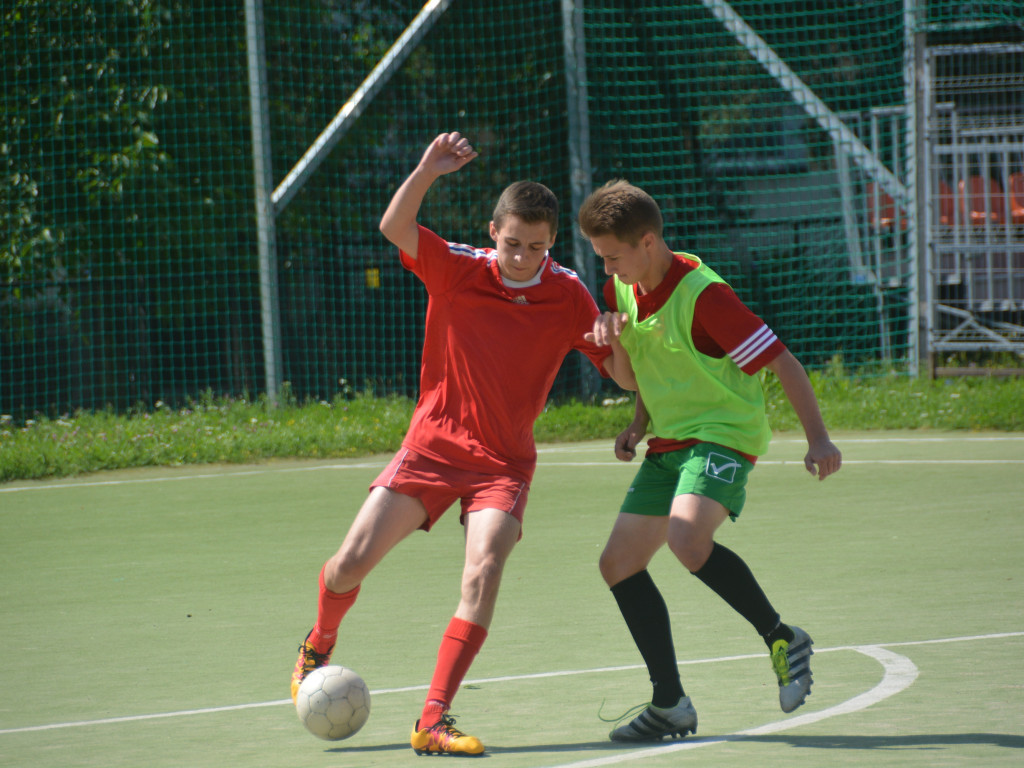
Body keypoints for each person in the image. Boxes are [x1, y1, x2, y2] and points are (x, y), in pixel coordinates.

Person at [291, 133, 629, 756]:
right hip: (432, 450)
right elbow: (396, 224)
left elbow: (618, 371)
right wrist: (425, 169)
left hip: (504, 465)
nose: (523, 257)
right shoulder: (457, 269)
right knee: (348, 565)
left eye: (537, 246)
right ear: (492, 230)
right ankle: (318, 641)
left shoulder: (569, 293)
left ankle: (433, 719)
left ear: (552, 243)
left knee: (484, 571)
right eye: (512, 243)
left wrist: (621, 343)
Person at [578, 179, 842, 742]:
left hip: (722, 435)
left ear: (647, 242)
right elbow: (639, 373)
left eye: (612, 255)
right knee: (617, 564)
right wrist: (636, 420)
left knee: (687, 538)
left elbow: (784, 363)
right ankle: (670, 704)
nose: (607, 265)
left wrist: (818, 439)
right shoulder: (621, 288)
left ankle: (780, 635)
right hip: (669, 442)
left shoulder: (705, 298)